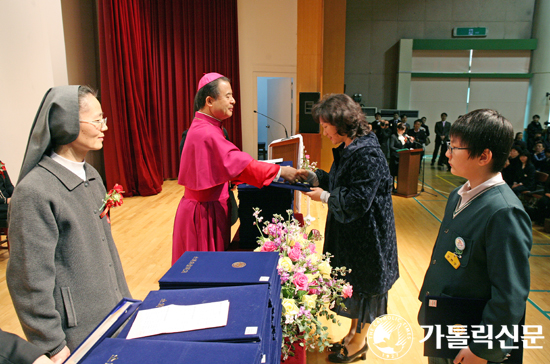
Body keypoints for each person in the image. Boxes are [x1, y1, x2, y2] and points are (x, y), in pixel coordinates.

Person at [7, 86, 131, 363]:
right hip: (75, 335)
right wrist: (50, 343)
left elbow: (105, 251)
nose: (104, 127)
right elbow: (28, 280)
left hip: (112, 314)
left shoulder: (92, 175)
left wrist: (124, 300)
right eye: (97, 120)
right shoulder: (35, 191)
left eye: (104, 119)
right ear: (68, 124)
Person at [418, 109, 532, 364]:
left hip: (470, 334)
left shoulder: (504, 212)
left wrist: (483, 348)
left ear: (484, 156)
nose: (447, 153)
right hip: (445, 320)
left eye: (455, 147)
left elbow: (510, 294)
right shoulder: (458, 194)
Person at [296, 94, 399, 363]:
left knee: (365, 285)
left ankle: (360, 342)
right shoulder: (352, 145)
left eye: (326, 126)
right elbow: (343, 183)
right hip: (354, 232)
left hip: (369, 235)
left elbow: (358, 199)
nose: (324, 131)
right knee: (353, 283)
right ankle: (353, 333)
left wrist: (325, 196)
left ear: (340, 122)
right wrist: (315, 176)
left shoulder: (368, 152)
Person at [173, 73, 298, 264]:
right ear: (209, 100)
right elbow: (236, 163)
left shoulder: (210, 127)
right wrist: (280, 172)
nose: (234, 100)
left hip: (211, 208)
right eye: (228, 95)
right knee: (205, 269)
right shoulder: (205, 132)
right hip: (202, 216)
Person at [389, 122, 415, 189]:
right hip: (395, 157)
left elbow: (408, 145)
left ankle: (400, 187)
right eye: (401, 129)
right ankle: (392, 187)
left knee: (400, 173)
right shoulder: (393, 136)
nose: (403, 131)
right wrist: (400, 151)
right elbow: (391, 147)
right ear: (398, 129)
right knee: (393, 173)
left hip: (403, 158)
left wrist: (411, 141)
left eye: (404, 130)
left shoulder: (405, 137)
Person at [0, 160, 14, 225]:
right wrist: (5, 200)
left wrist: (17, 195)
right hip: (2, 203)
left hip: (5, 202)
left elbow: (9, 186)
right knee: (15, 209)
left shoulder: (1, 165)